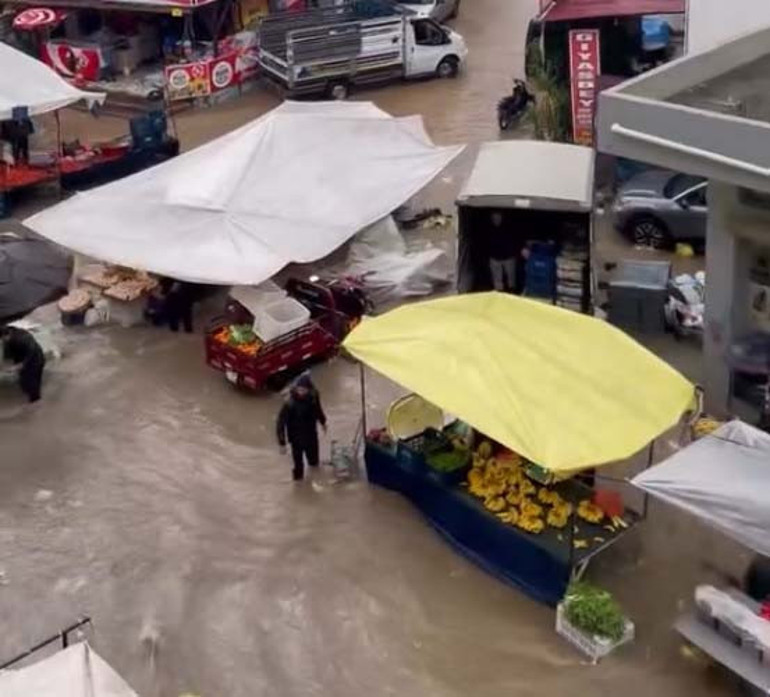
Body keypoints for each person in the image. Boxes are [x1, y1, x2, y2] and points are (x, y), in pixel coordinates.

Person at [276, 373, 327, 481]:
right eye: (299, 389)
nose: (301, 392)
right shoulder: (289, 404)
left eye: (304, 390)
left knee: (314, 463)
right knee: (298, 467)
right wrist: (282, 443)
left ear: (309, 389)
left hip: (311, 435)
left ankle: (315, 480)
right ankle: (298, 486)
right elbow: (280, 423)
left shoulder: (314, 396)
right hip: (296, 439)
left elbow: (318, 410)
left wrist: (323, 422)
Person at [1, 325, 46, 403]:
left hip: (35, 359)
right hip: (22, 358)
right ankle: (29, 393)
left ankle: (35, 401)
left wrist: (22, 364)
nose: (2, 341)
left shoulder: (23, 337)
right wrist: (7, 365)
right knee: (24, 381)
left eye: (2, 339)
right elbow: (8, 354)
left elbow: (32, 351)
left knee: (32, 381)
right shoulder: (9, 338)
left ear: (7, 335)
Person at [487, 211, 519, 292]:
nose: (496, 220)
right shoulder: (489, 229)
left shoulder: (509, 228)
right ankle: (499, 296)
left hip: (509, 257)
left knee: (511, 281)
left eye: (498, 218)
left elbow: (515, 240)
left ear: (502, 218)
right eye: (494, 218)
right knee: (497, 282)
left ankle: (512, 294)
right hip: (494, 258)